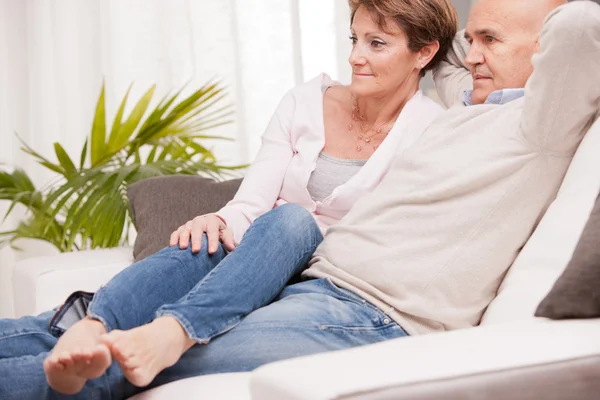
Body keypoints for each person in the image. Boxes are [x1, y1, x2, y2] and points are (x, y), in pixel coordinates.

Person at [2, 0, 599, 399]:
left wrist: (541, 28)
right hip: (307, 278)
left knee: (122, 369)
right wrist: (478, 37)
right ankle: (106, 322)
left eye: (490, 39)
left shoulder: (538, 124)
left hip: (373, 316)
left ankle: (155, 333)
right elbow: (431, 52)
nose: (471, 55)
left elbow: (583, 31)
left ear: (546, 51)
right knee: (286, 222)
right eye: (469, 41)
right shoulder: (468, 99)